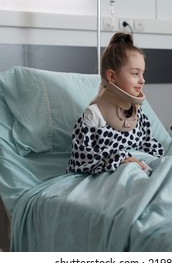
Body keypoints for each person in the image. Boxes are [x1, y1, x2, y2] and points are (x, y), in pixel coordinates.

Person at [68, 32, 164, 174]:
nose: (142, 80)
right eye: (135, 73)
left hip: (142, 168)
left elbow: (150, 147)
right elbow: (79, 159)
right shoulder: (94, 114)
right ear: (112, 76)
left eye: (142, 73)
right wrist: (119, 159)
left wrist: (163, 163)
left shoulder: (138, 114)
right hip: (114, 173)